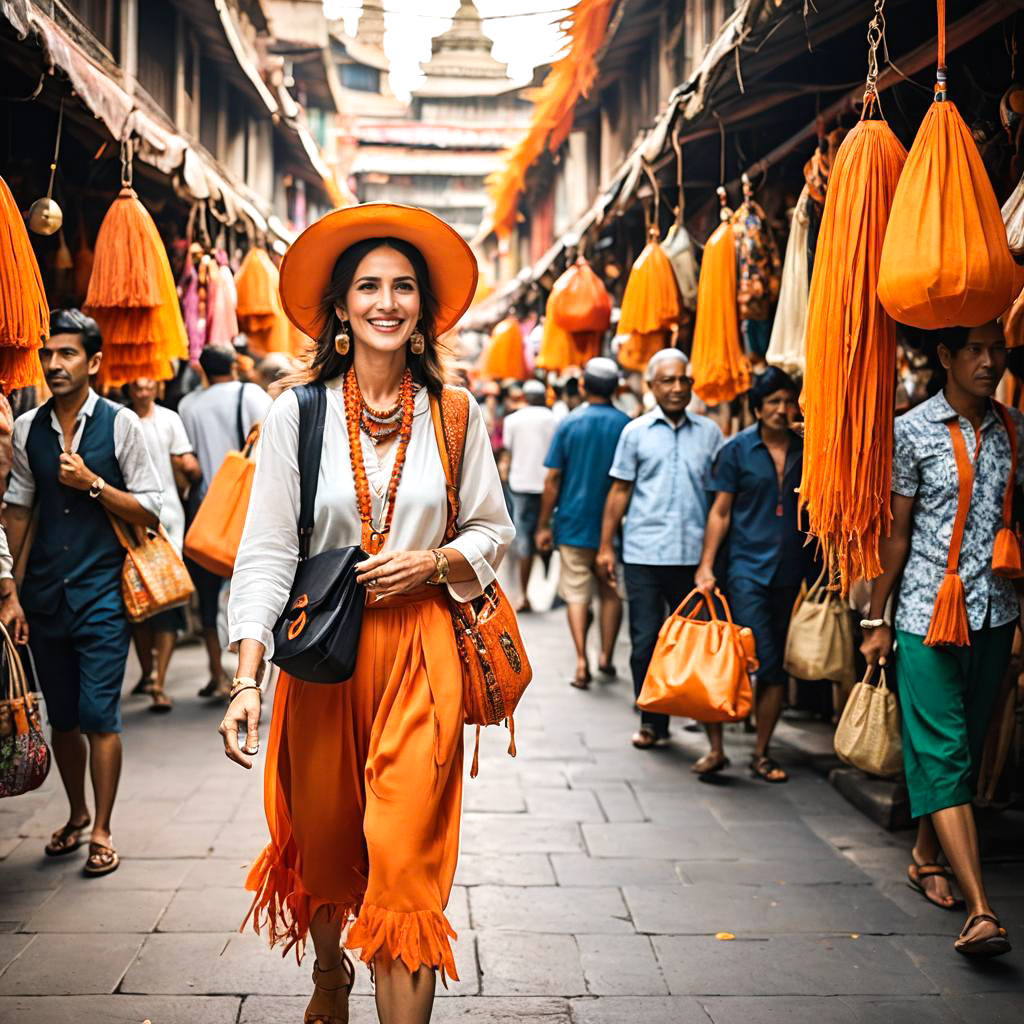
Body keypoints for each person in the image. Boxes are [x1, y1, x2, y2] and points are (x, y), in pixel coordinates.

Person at [220, 203, 514, 1024]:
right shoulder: (296, 413)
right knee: (326, 840)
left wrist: (435, 561)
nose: (387, 301)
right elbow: (270, 550)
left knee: (404, 865)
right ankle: (327, 975)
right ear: (342, 310)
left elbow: (495, 528)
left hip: (424, 653)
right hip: (322, 654)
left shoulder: (456, 414)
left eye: (404, 287)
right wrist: (247, 679)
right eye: (369, 287)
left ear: (422, 308)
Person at [861, 322, 1015, 959]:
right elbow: (895, 536)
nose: (988, 361)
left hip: (995, 612)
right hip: (926, 612)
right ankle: (981, 910)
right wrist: (877, 619)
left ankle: (925, 856)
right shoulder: (912, 430)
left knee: (968, 746)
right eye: (974, 350)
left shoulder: (1015, 429)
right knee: (945, 747)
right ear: (946, 357)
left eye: (996, 348)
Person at [1, 309, 162, 878]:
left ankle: (102, 829)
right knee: (62, 718)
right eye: (49, 355)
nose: (54, 364)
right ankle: (75, 814)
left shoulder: (120, 426)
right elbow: (18, 509)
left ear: (93, 362)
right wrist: (11, 595)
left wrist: (92, 483)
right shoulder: (27, 429)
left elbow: (150, 506)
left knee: (100, 714)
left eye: (67, 354)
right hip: (44, 595)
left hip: (103, 594)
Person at [597, 348, 724, 748]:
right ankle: (653, 720)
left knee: (693, 643)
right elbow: (619, 490)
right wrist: (605, 546)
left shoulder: (710, 434)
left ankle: (690, 710)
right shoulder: (634, 433)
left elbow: (721, 498)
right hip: (643, 554)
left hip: (692, 557)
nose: (676, 388)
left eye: (682, 380)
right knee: (645, 641)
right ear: (651, 387)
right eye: (667, 381)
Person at [695, 367, 810, 780]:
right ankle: (717, 747)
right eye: (773, 402)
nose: (781, 410)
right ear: (757, 407)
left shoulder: (807, 449)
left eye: (787, 401)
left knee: (774, 661)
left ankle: (761, 752)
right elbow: (720, 512)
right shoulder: (736, 450)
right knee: (745, 659)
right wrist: (706, 565)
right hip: (745, 568)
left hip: (793, 570)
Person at [178, 344, 271, 699]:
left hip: (207, 510)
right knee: (251, 589)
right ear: (233, 365)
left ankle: (216, 673)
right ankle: (250, 676)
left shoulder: (188, 405)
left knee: (206, 594)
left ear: (202, 370)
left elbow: (188, 463)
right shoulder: (252, 394)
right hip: (249, 507)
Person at [536, 358, 629, 687]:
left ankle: (580, 662)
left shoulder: (570, 424)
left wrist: (543, 524)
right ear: (616, 388)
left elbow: (553, 479)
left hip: (574, 522)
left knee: (576, 592)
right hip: (615, 527)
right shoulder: (627, 425)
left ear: (584, 388)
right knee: (610, 590)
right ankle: (605, 656)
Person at [127, 378, 202, 712]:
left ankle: (158, 678)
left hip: (168, 520)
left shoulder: (169, 419)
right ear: (129, 390)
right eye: (137, 387)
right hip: (130, 519)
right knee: (140, 601)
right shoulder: (121, 419)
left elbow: (186, 462)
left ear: (156, 389)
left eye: (147, 387)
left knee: (167, 598)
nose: (143, 392)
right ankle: (148, 673)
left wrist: (189, 469)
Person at [502, 378, 557, 611]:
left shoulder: (513, 419)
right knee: (545, 531)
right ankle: (546, 584)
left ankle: (524, 594)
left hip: (521, 483)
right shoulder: (555, 419)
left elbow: (508, 448)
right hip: (547, 484)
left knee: (523, 535)